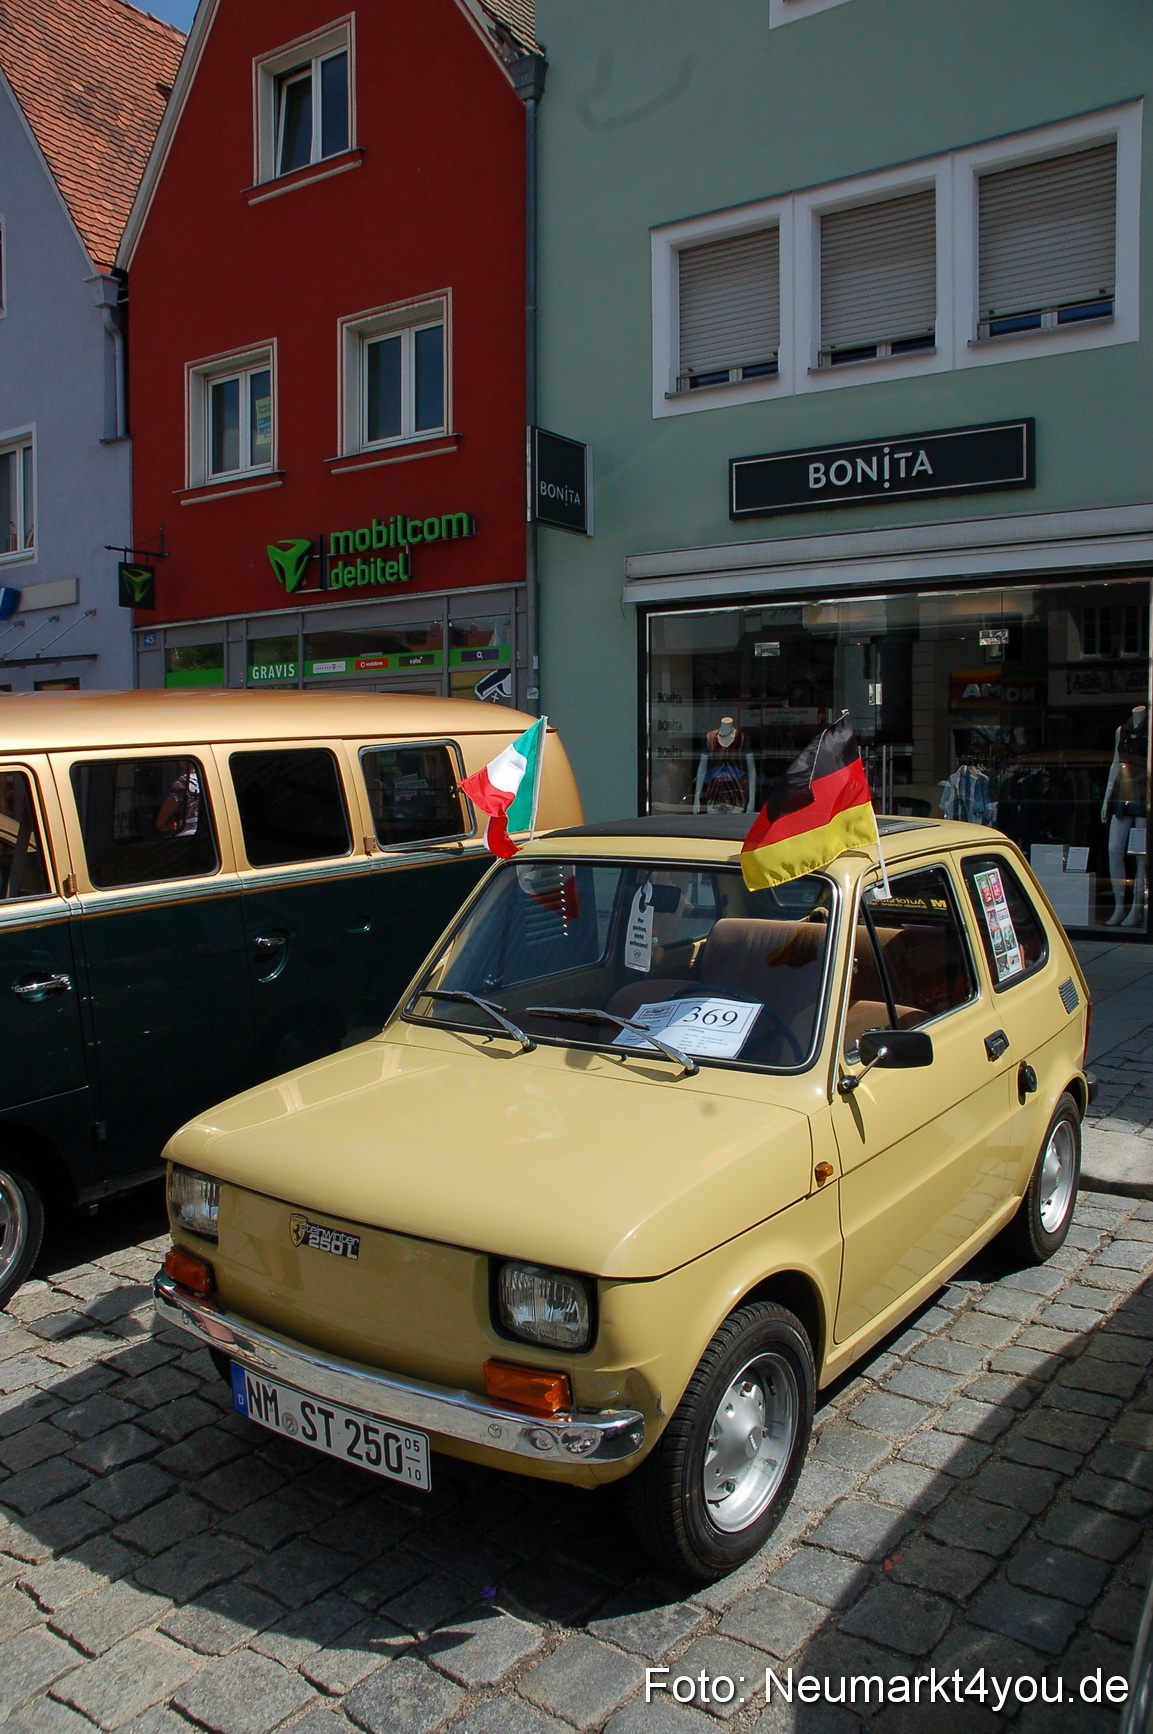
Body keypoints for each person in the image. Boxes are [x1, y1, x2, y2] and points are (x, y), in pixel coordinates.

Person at [1101, 706, 1147, 927]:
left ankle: (1136, 910)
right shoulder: (1122, 730)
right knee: (1114, 848)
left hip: (1144, 793)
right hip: (1123, 793)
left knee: (1140, 855)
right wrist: (1106, 798)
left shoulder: (1149, 730)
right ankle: (1120, 907)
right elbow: (1115, 764)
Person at [694, 717, 756, 814]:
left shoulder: (743, 738)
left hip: (736, 793)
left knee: (735, 827)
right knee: (714, 826)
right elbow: (702, 767)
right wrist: (696, 798)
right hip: (714, 794)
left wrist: (752, 800)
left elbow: (751, 769)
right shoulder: (710, 738)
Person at [156, 761, 202, 838]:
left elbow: (161, 822)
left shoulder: (183, 783)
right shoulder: (202, 780)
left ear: (182, 762)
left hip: (184, 835)